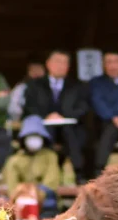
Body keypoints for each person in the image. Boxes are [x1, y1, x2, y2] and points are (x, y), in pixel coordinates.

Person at [22, 49, 91, 184]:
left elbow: (83, 107)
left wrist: (63, 116)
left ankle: (79, 173)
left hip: (71, 128)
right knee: (45, 134)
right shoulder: (34, 85)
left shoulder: (77, 85)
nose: (60, 66)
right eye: (57, 62)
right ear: (48, 64)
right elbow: (29, 107)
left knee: (71, 133)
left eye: (64, 63)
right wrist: (47, 116)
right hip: (44, 127)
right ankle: (45, 175)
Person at [2, 116, 62, 196]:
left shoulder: (50, 156)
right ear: (24, 139)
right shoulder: (14, 160)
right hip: (21, 198)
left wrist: (38, 194)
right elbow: (11, 184)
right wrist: (20, 194)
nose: (34, 139)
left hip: (46, 198)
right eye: (30, 136)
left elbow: (51, 180)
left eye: (37, 136)